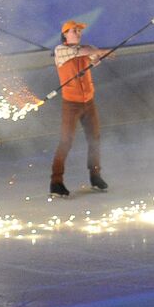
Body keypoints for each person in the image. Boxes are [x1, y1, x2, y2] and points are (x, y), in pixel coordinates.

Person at [50, 20, 109, 197]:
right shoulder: (60, 51)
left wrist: (100, 55)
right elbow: (80, 52)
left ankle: (95, 176)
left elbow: (92, 56)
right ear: (65, 34)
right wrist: (96, 52)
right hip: (71, 104)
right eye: (73, 30)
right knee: (66, 141)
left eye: (79, 30)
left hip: (88, 102)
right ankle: (56, 182)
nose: (77, 33)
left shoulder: (87, 48)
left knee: (94, 139)